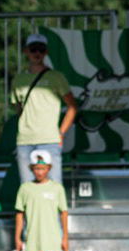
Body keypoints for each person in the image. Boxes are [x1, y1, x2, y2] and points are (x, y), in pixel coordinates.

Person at [10, 32, 78, 191]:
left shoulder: (57, 77)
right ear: (27, 51)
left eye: (41, 50)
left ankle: (54, 217)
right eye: (34, 49)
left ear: (46, 52)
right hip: (25, 141)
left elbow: (72, 107)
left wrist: (61, 133)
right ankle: (30, 217)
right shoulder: (18, 80)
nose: (37, 54)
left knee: (53, 188)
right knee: (27, 189)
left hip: (49, 140)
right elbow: (19, 109)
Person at [14, 149, 68, 251]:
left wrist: (65, 238)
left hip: (52, 241)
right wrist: (18, 238)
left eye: (43, 168)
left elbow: (63, 212)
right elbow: (20, 213)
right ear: (32, 168)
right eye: (37, 168)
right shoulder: (25, 188)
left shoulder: (57, 188)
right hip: (32, 242)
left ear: (49, 168)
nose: (39, 172)